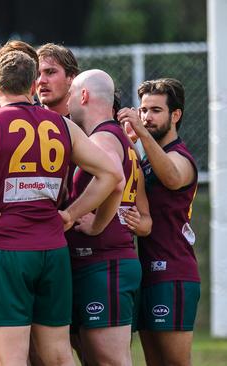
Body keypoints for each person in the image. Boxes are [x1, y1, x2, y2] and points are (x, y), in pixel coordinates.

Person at [0, 51, 123, 365]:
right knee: (58, 353)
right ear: (32, 86)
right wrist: (71, 213)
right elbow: (110, 174)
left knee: (10, 355)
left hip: (6, 249)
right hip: (53, 250)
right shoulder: (61, 125)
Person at [65, 69, 152, 365]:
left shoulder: (103, 137)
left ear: (85, 96)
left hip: (105, 261)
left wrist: (84, 219)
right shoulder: (118, 137)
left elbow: (113, 181)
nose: (68, 103)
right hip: (107, 261)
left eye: (71, 95)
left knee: (111, 360)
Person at [117, 78, 200, 366]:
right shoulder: (150, 158)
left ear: (175, 115)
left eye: (155, 110)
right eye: (142, 110)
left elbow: (174, 177)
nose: (146, 117)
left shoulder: (181, 157)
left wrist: (141, 133)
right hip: (147, 272)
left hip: (173, 272)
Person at [36, 43, 79, 116]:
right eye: (37, 75)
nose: (41, 81)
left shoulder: (87, 123)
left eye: (50, 72)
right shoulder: (27, 122)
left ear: (71, 77)